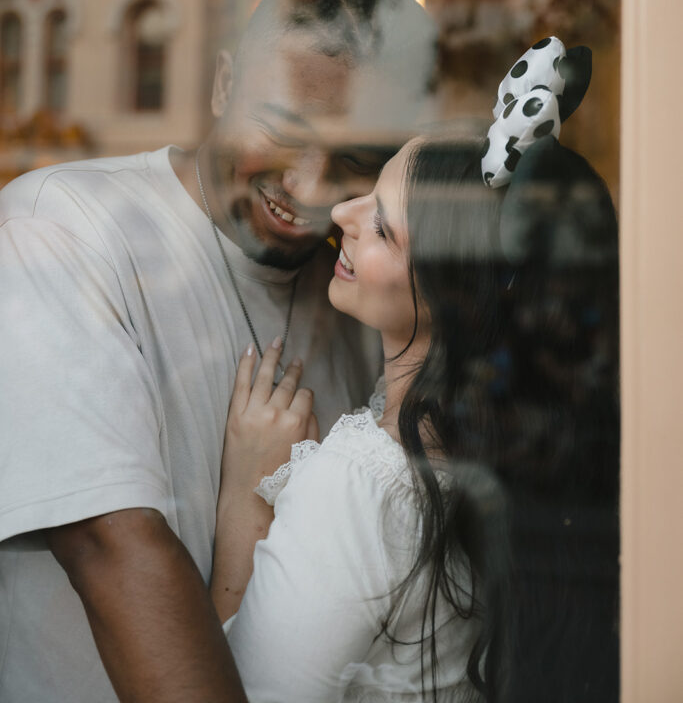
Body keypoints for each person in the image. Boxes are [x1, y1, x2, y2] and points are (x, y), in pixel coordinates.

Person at [0, 0, 436, 703]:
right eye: (283, 129)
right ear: (225, 83)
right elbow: (114, 548)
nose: (309, 186)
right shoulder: (60, 228)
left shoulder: (357, 299)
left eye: (355, 159)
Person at [207, 41, 619, 702]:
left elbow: (242, 693)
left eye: (383, 229)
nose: (341, 215)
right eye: (369, 193)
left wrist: (242, 505)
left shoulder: (363, 486)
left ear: (448, 293)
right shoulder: (511, 457)